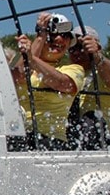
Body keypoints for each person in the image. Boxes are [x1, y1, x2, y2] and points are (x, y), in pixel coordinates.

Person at [13, 13, 85, 150]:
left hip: (51, 140)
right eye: (52, 34)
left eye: (65, 36)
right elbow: (19, 75)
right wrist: (40, 36)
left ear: (69, 42)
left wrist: (32, 59)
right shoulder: (23, 58)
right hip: (18, 136)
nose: (58, 38)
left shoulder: (73, 69)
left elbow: (62, 83)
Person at [68, 25, 110, 148]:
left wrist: (97, 56)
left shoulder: (109, 70)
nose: (75, 52)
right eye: (71, 48)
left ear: (98, 46)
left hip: (104, 142)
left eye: (81, 47)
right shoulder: (69, 74)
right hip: (73, 139)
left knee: (91, 118)